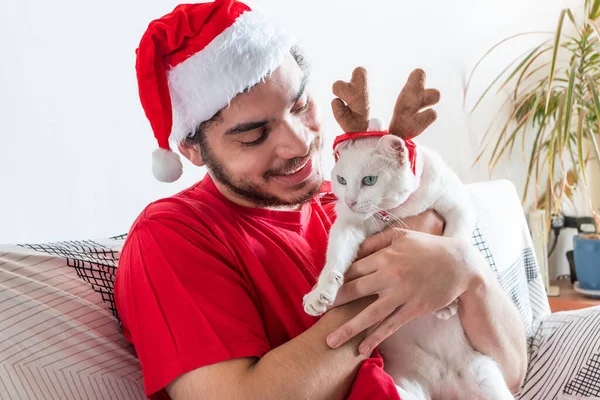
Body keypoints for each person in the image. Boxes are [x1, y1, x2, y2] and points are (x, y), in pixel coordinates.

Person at [114, 1, 527, 399]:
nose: (299, 143)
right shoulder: (171, 237)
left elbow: (510, 372)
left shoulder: (356, 198)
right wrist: (391, 285)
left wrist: (465, 266)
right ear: (193, 150)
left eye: (301, 105)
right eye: (255, 135)